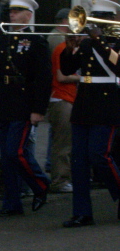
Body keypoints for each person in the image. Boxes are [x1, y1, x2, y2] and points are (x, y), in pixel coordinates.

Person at [61, 0, 120, 227]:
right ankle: (82, 212)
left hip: (107, 103)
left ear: (112, 20)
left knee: (100, 155)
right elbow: (67, 69)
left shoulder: (114, 41)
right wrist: (69, 46)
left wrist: (100, 41)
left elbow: (117, 66)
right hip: (85, 103)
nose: (97, 23)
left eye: (103, 18)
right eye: (95, 17)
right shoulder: (86, 44)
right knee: (79, 160)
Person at [0, 0, 52, 216]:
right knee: (7, 158)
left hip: (24, 103)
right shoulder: (5, 37)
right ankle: (11, 203)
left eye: (16, 12)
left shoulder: (36, 41)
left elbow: (43, 78)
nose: (12, 14)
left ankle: (41, 185)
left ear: (28, 16)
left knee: (15, 152)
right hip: (4, 102)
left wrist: (38, 109)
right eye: (11, 11)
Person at [48, 41, 79, 193]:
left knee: (68, 143)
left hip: (70, 98)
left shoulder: (71, 48)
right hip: (62, 98)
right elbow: (61, 76)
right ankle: (60, 180)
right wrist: (87, 78)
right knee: (63, 143)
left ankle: (66, 178)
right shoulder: (63, 48)